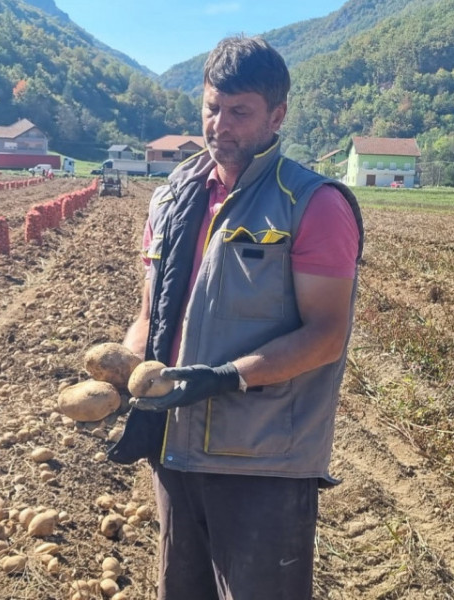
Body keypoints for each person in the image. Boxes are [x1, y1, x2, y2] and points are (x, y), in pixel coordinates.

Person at [108, 36, 363, 599]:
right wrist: (123, 373)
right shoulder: (172, 197)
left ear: (277, 115)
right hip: (176, 448)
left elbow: (326, 335)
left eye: (239, 113)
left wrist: (225, 378)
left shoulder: (311, 204)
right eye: (211, 108)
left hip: (263, 460)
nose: (219, 125)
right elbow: (152, 314)